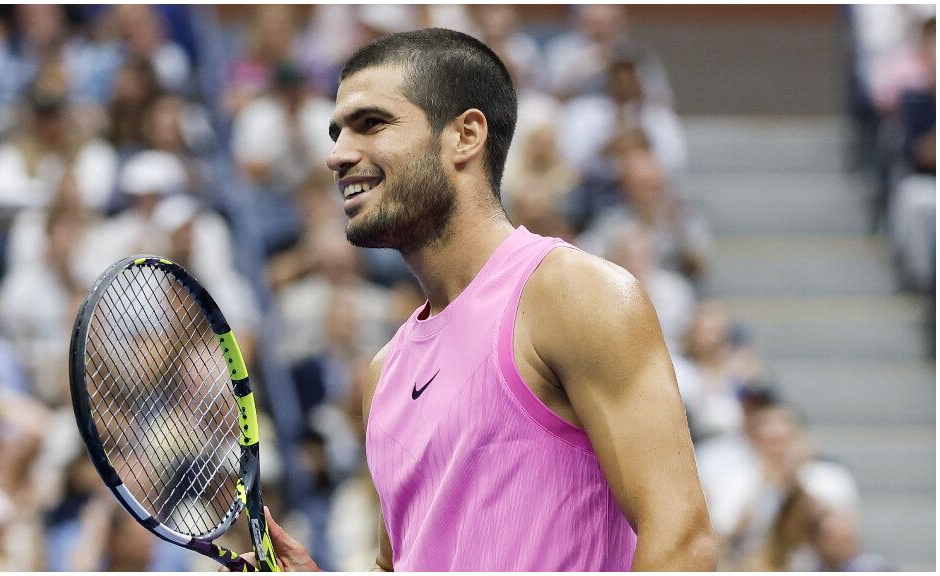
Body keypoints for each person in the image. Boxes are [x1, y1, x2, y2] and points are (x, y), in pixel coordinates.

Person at [241, 28, 716, 571]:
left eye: (371, 124)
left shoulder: (572, 295)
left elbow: (682, 541)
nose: (338, 155)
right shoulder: (384, 373)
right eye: (336, 133)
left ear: (466, 135)